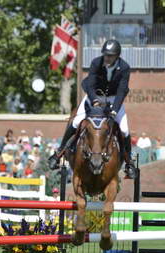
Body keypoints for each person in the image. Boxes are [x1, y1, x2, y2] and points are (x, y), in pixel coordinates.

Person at [48, 39, 136, 178]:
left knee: (124, 129)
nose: (107, 58)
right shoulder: (96, 62)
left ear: (117, 56)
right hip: (93, 95)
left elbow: (122, 90)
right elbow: (90, 84)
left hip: (114, 98)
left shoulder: (124, 68)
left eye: (110, 56)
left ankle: (129, 161)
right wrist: (94, 100)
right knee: (76, 122)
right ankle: (59, 153)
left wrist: (114, 110)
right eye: (105, 55)